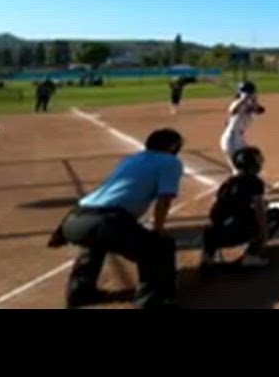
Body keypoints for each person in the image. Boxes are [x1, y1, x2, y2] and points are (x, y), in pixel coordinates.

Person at [48, 128, 184, 309]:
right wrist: (158, 230)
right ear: (173, 146)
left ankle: (80, 292)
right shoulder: (170, 162)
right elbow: (164, 200)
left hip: (75, 218)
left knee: (95, 244)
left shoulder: (133, 159)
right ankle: (154, 299)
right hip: (105, 220)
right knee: (159, 248)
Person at [201, 147, 279, 269]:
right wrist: (264, 232)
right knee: (275, 215)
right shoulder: (255, 182)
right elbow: (259, 210)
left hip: (215, 235)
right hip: (236, 233)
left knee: (214, 226)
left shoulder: (228, 182)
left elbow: (216, 210)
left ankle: (208, 257)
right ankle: (252, 255)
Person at [220, 81, 266, 170]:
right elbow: (233, 110)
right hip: (231, 140)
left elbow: (260, 110)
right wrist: (243, 99)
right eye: (253, 92)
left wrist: (252, 100)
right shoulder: (236, 103)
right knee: (239, 168)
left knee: (252, 158)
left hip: (238, 139)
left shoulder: (250, 104)